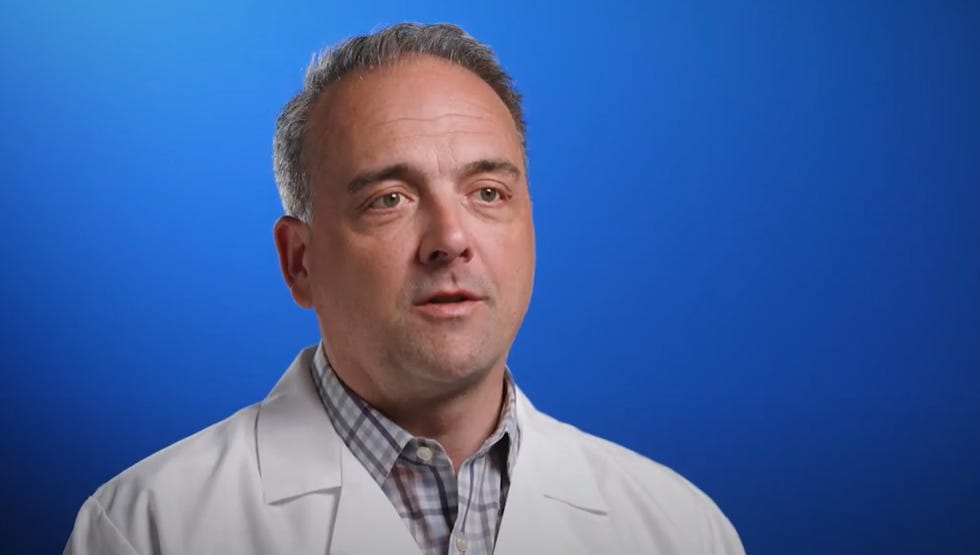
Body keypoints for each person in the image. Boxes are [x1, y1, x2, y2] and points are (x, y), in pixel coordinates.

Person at [64, 22, 745, 555]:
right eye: (389, 199)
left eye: (488, 192)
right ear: (300, 262)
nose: (451, 238)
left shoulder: (680, 529)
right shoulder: (147, 529)